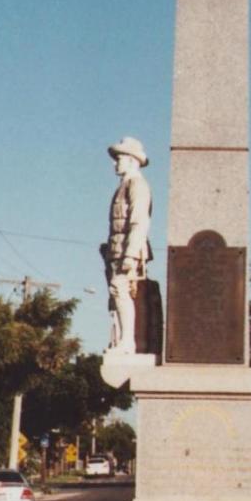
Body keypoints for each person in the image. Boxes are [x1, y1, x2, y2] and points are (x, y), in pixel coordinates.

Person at [101, 137, 152, 354]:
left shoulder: (137, 185)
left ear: (132, 160)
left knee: (121, 290)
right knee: (116, 293)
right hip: (116, 249)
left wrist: (131, 255)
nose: (115, 163)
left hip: (127, 251)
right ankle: (122, 339)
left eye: (119, 158)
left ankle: (127, 342)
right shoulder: (123, 186)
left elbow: (139, 221)